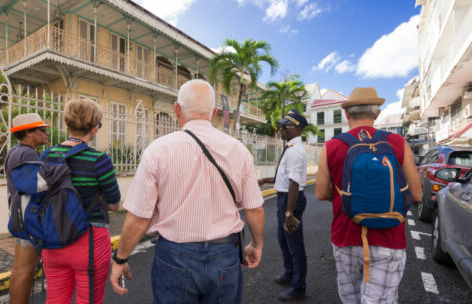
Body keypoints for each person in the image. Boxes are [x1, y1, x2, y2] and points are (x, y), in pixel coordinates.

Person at [109, 79, 265, 303]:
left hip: (174, 257)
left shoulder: (157, 150)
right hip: (225, 255)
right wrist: (256, 245)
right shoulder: (238, 150)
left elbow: (139, 217)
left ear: (176, 109)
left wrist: (120, 259)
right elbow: (255, 209)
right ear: (213, 111)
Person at [315, 87, 422, 303]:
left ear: (347, 114)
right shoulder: (398, 143)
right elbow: (417, 195)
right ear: (377, 114)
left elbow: (320, 193)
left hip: (345, 238)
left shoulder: (332, 146)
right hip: (388, 240)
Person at [40, 99, 121, 304]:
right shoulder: (99, 160)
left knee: (56, 300)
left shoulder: (48, 155)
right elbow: (114, 204)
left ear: (68, 125)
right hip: (89, 241)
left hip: (53, 239)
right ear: (94, 128)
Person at [258, 109, 309, 302]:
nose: (280, 130)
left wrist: (289, 212)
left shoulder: (295, 151)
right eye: (280, 126)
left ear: (296, 128)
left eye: (284, 127)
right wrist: (264, 180)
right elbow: (284, 178)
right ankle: (289, 275)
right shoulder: (290, 147)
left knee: (295, 246)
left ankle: (299, 287)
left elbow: (294, 183)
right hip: (285, 198)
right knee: (284, 240)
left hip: (291, 200)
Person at [5, 113, 49, 304]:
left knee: (18, 270)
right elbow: (35, 187)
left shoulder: (14, 151)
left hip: (18, 214)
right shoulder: (29, 154)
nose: (46, 133)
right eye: (42, 130)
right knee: (25, 271)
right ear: (29, 133)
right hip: (28, 217)